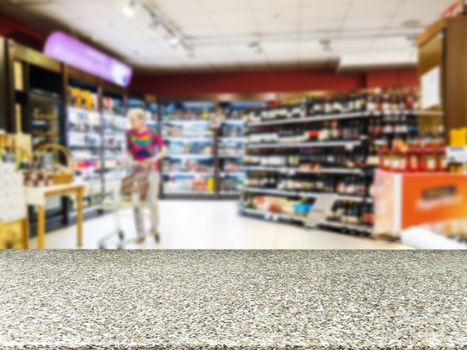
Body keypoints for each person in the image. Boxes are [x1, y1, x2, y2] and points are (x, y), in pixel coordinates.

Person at [126, 108, 167, 244]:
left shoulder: (152, 133)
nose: (131, 123)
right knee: (136, 201)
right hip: (136, 171)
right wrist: (128, 160)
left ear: (142, 119)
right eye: (129, 120)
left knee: (151, 201)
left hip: (152, 171)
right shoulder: (129, 134)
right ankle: (140, 233)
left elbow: (164, 150)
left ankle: (154, 228)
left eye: (133, 120)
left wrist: (155, 158)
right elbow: (128, 151)